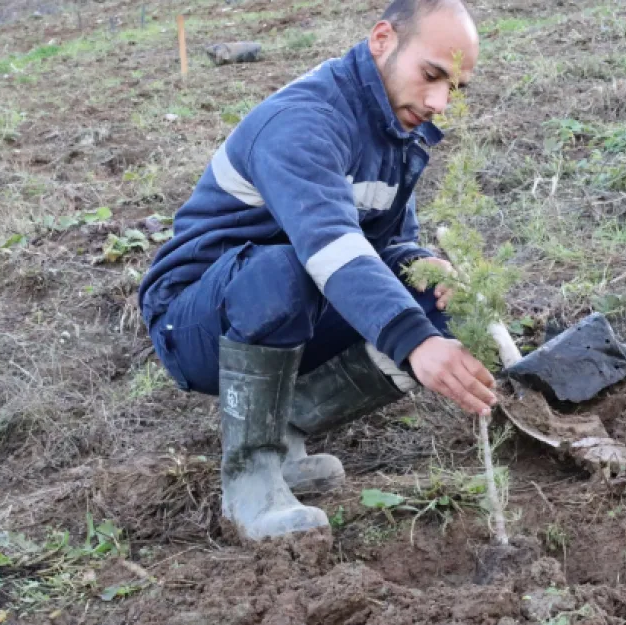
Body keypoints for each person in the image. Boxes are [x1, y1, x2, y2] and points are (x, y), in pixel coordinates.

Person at [136, 0, 498, 542]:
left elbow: (388, 244)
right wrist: (415, 343)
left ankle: (282, 432)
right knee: (287, 272)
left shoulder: (396, 131)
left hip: (297, 297)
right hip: (193, 321)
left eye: (456, 87)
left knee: (430, 294)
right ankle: (250, 479)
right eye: (431, 75)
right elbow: (331, 246)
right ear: (382, 40)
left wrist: (424, 267)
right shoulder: (306, 120)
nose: (439, 102)